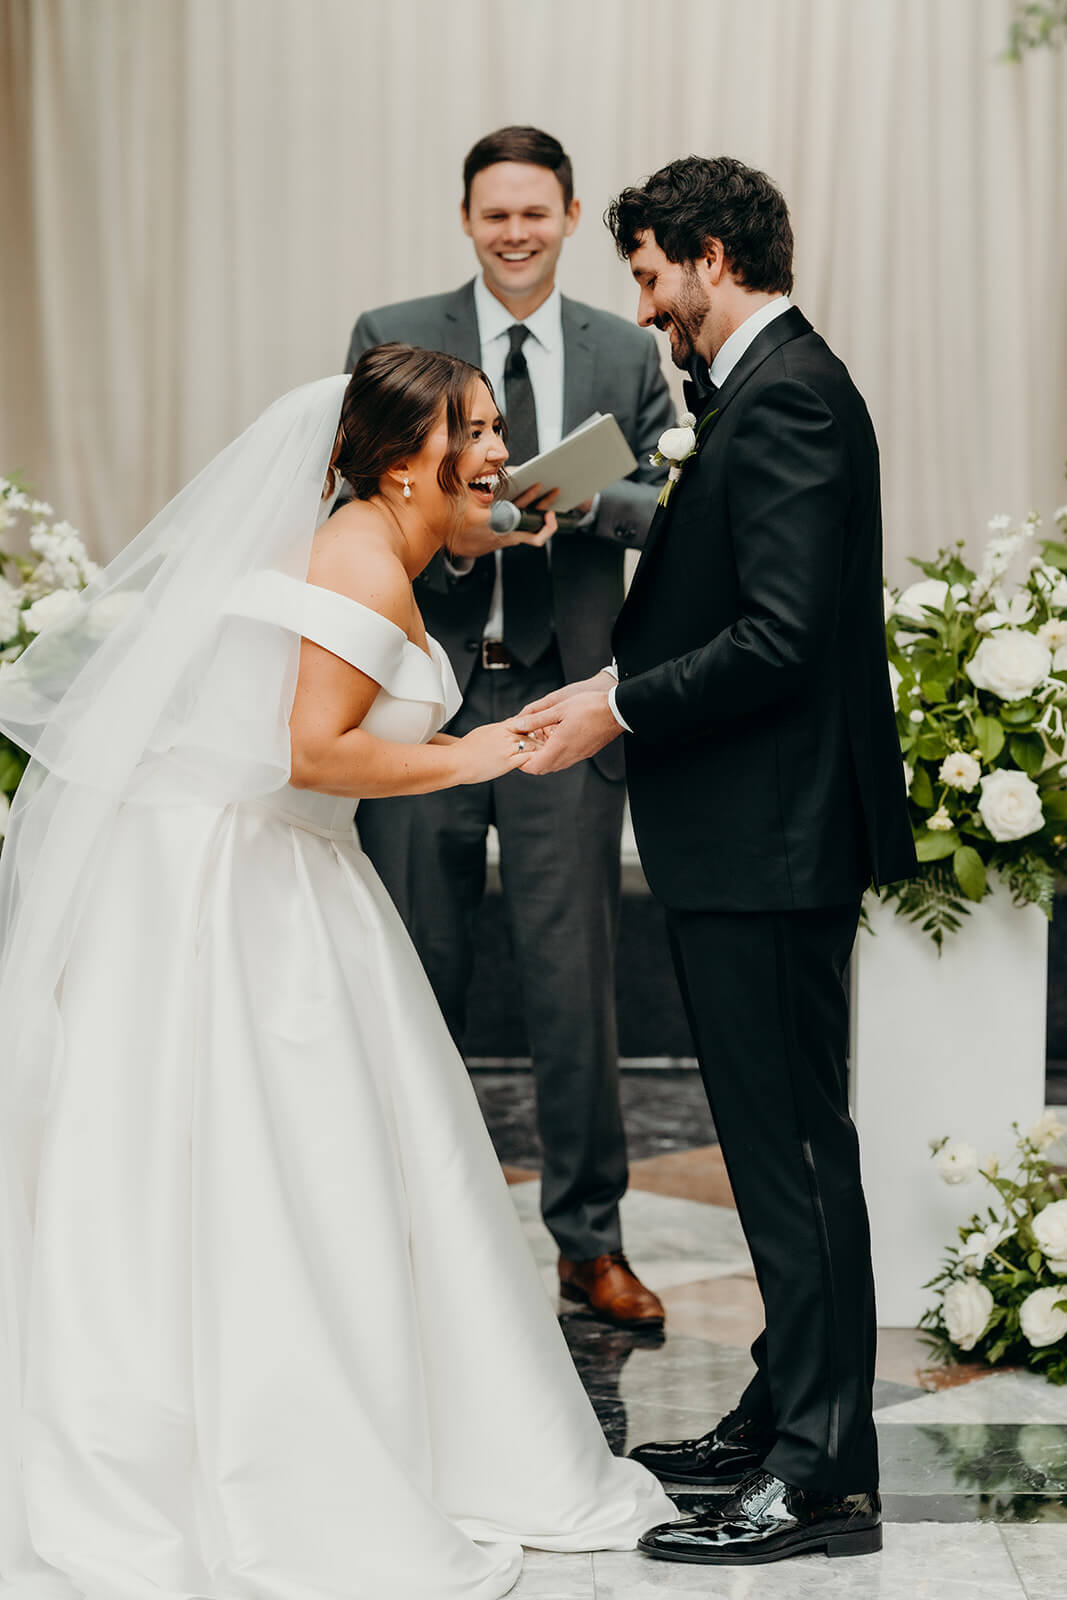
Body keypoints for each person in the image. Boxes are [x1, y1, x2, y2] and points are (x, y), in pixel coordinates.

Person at [0, 346, 676, 1600]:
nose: (495, 451)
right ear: (397, 459)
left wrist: (499, 547)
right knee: (267, 1159)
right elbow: (311, 750)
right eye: (472, 432)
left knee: (322, 1159)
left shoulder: (380, 540)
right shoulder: (360, 556)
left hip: (279, 869)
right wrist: (473, 759)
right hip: (241, 882)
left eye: (493, 426)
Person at [514, 156, 918, 1566]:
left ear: (704, 255)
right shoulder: (753, 391)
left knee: (794, 1154)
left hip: (772, 838)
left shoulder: (791, 392)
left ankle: (818, 1482)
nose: (644, 306)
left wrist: (609, 701)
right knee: (776, 1149)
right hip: (743, 833)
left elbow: (782, 635)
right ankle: (781, 1414)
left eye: (644, 275)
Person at [345, 128, 672, 1329]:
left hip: (562, 701)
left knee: (572, 980)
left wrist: (575, 498)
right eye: (495, 215)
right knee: (410, 972)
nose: (515, 233)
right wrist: (459, 512)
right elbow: (352, 490)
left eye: (536, 213)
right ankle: (406, 1231)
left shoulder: (622, 349)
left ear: (571, 215)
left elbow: (670, 512)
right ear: (467, 220)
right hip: (422, 693)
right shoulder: (395, 329)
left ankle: (588, 1244)